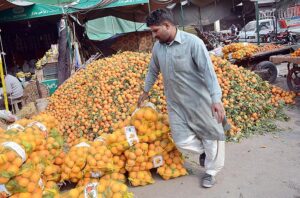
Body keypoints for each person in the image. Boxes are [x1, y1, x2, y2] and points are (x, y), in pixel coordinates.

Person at [138, 9, 226, 188]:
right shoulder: (158, 48)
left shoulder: (193, 43)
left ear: (167, 26)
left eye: (155, 31)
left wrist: (216, 99)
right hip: (175, 102)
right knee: (180, 140)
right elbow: (153, 70)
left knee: (210, 137)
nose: (153, 35)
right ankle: (204, 153)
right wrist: (145, 90)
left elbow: (208, 72)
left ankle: (211, 172)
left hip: (199, 101)